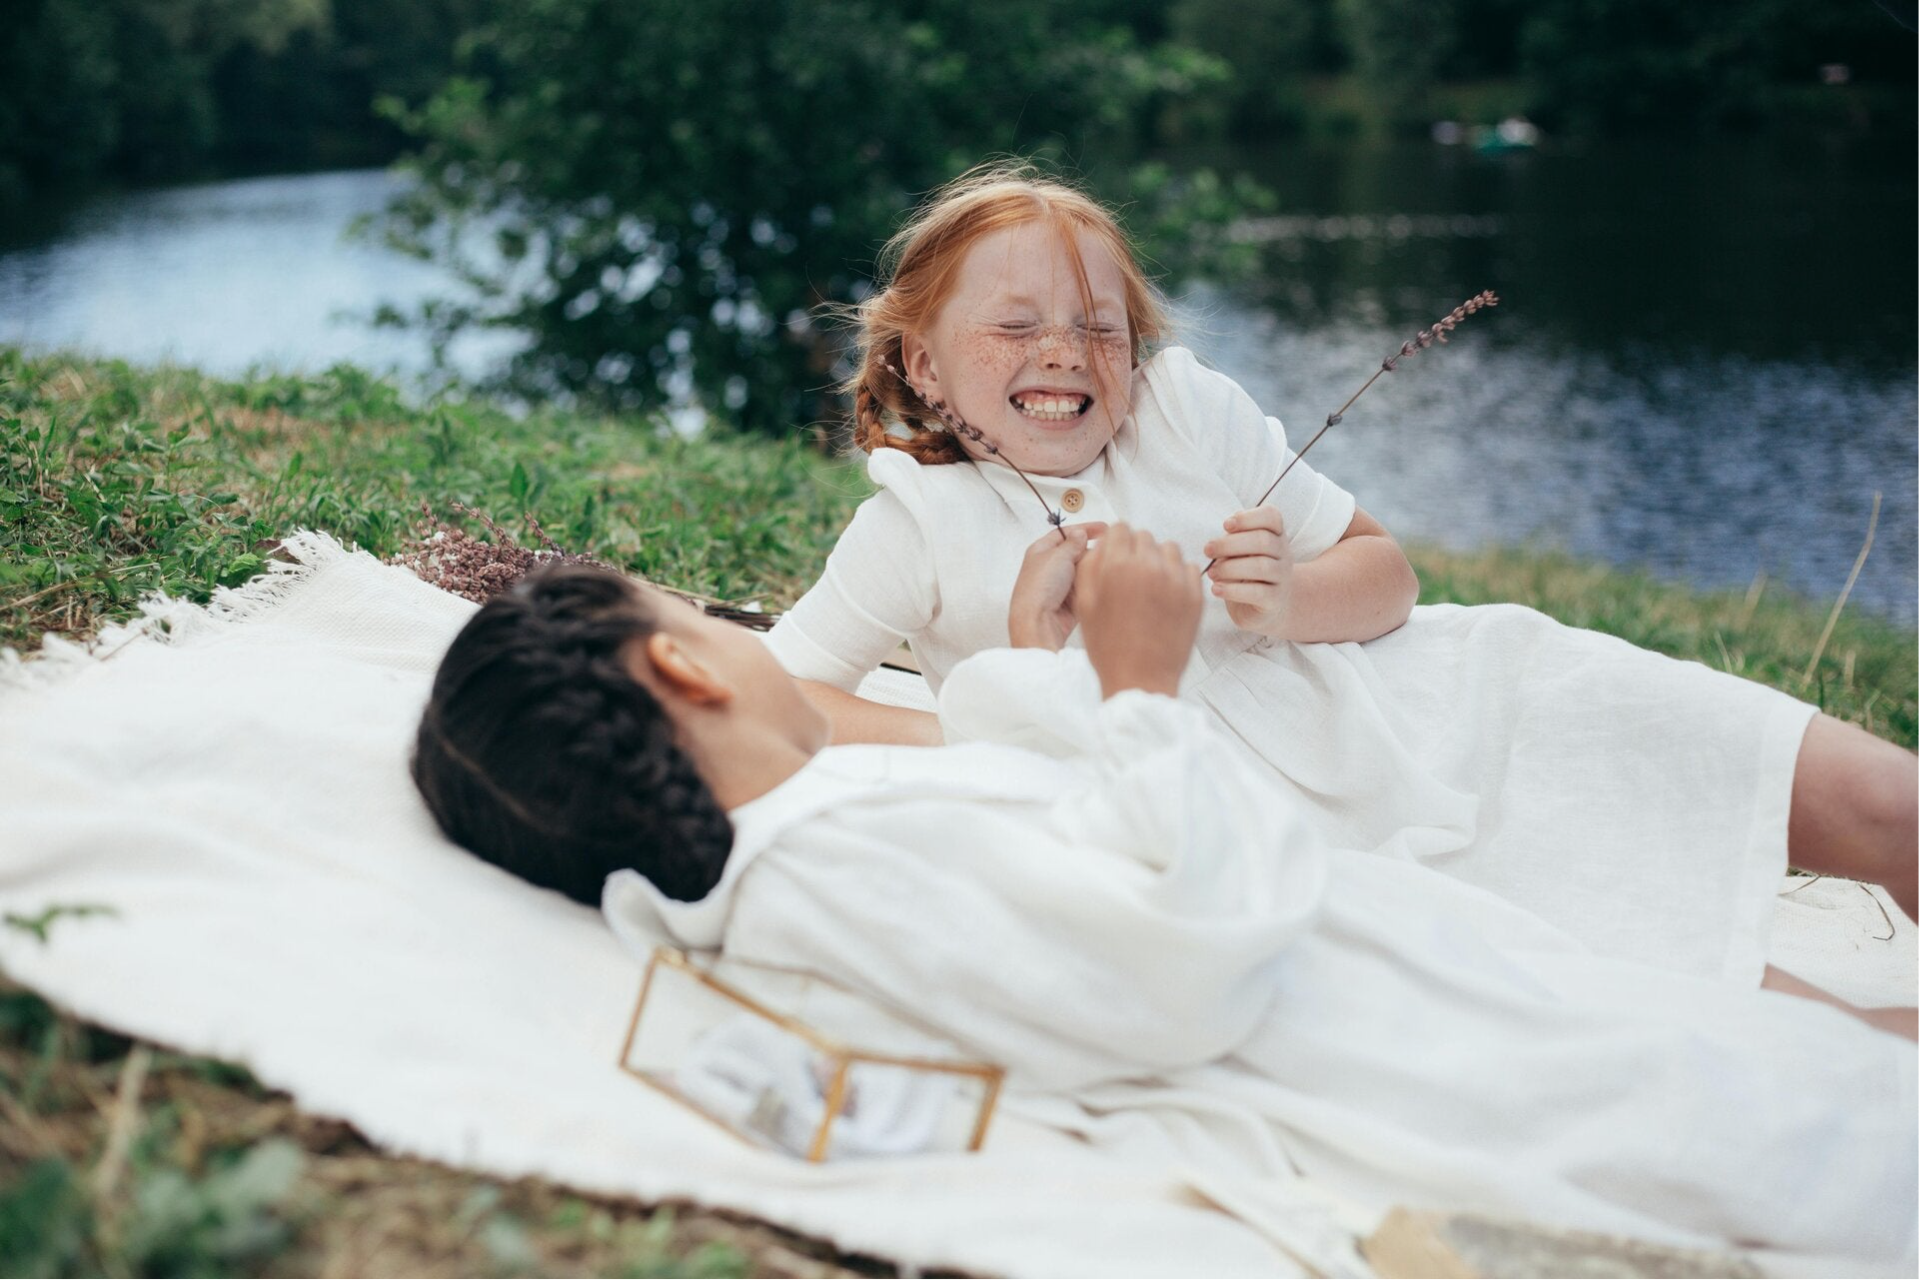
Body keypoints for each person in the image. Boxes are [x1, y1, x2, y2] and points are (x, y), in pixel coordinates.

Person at [409, 548, 1918, 1268]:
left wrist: (1044, 674)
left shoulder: (811, 856)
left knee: (1815, 1061)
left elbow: (1051, 870)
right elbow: (1168, 963)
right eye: (703, 625)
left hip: (1448, 992)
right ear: (685, 668)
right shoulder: (817, 870)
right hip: (1445, 1051)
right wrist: (1134, 685)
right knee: (1808, 1122)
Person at [762, 162, 1919, 996]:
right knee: (1759, 1006)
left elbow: (1391, 574)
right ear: (921, 358)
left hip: (1443, 706)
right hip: (1311, 843)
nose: (1067, 352)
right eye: (1015, 326)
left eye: (1100, 326)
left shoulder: (1182, 410)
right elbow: (785, 692)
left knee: (1881, 800)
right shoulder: (913, 525)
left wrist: (1291, 598)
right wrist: (1007, 710)